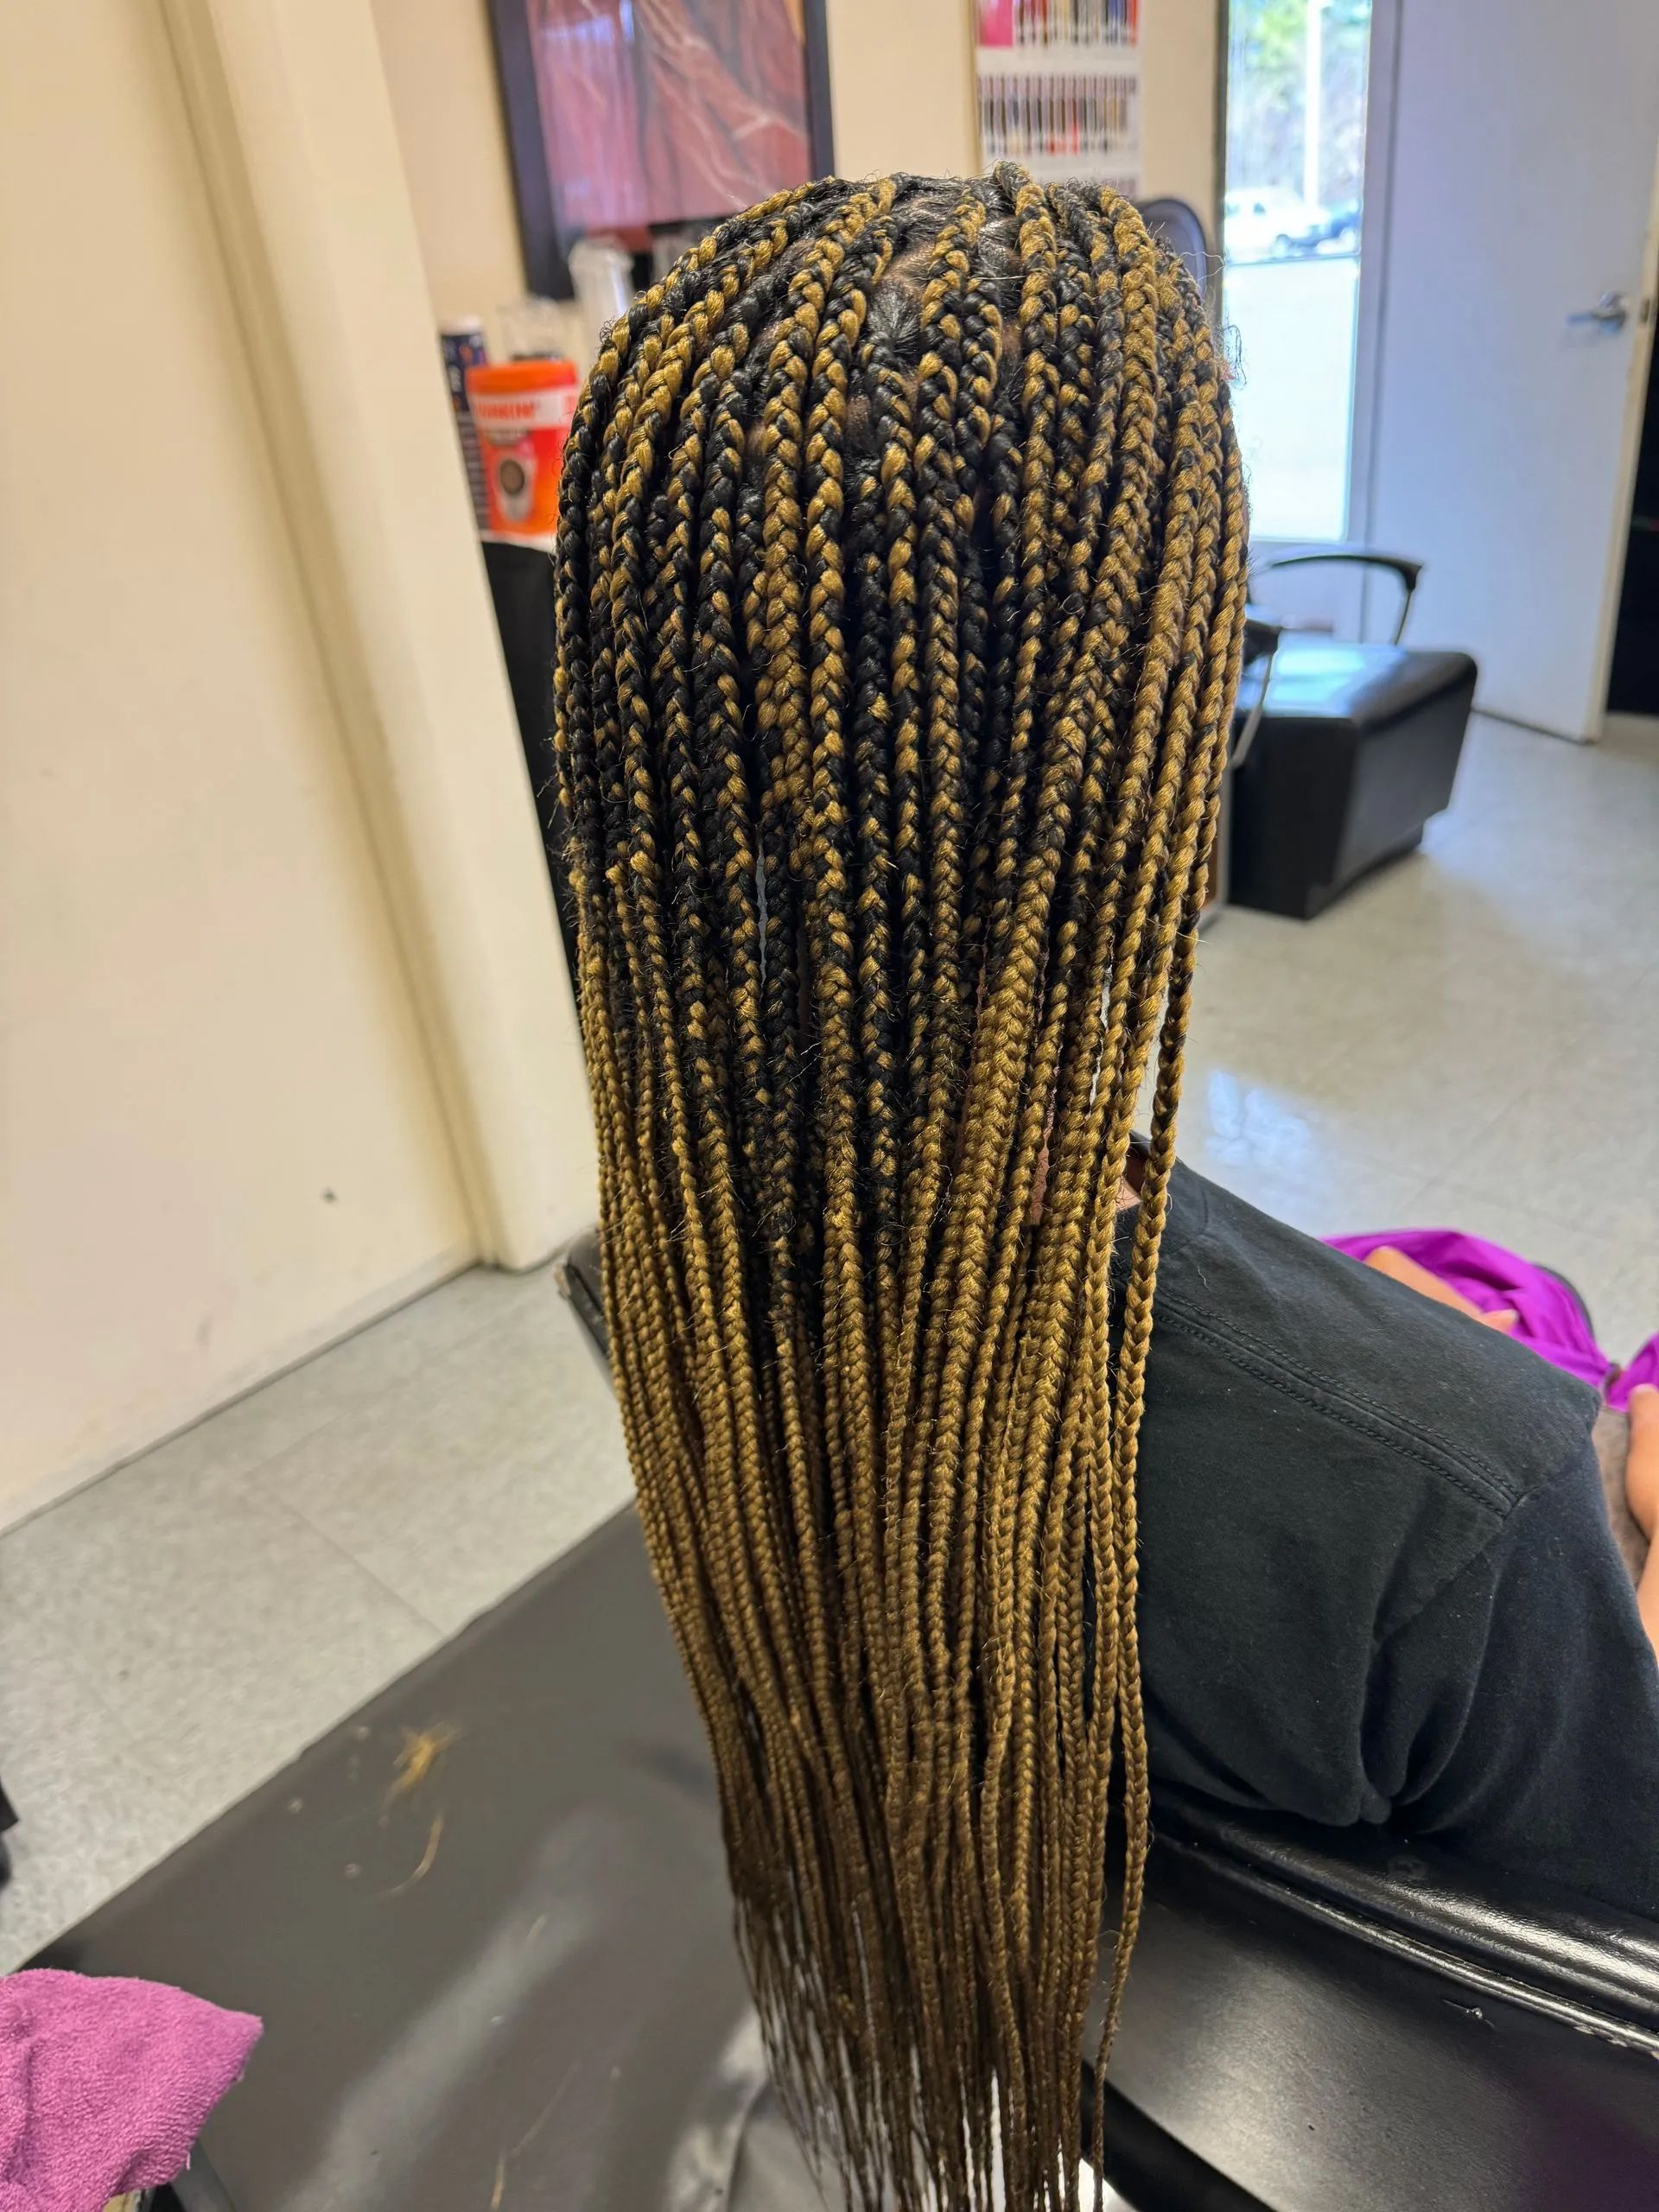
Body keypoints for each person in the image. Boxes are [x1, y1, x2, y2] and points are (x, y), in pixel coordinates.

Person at [551, 168, 1657, 2212]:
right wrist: (1597, 1555)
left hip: (977, 2021)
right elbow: (1600, 1970)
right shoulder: (1462, 1500)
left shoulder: (660, 1266)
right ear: (1171, 725)